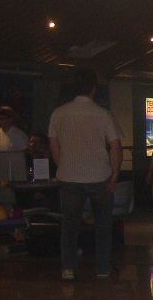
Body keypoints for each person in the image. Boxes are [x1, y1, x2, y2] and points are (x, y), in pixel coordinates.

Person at [47, 68, 123, 280]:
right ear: (93, 88)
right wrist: (115, 175)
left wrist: (63, 166)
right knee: (103, 226)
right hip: (99, 176)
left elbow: (54, 146)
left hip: (69, 177)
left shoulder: (58, 113)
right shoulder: (103, 114)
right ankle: (103, 268)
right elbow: (116, 147)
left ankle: (68, 268)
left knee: (69, 226)